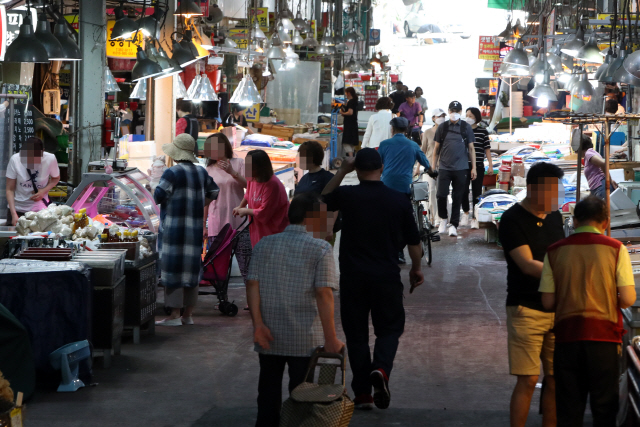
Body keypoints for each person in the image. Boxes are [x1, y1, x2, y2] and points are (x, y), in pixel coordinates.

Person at [322, 149, 425, 411]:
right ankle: (380, 368)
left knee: (356, 336)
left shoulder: (347, 195)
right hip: (386, 278)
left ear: (357, 169)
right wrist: (416, 268)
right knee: (389, 329)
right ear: (382, 168)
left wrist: (343, 170)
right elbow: (414, 242)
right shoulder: (398, 200)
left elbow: (323, 198)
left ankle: (363, 395)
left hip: (353, 278)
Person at [247, 192, 344, 427]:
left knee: (267, 392)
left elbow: (252, 285)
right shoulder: (320, 249)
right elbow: (324, 293)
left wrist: (258, 324)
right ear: (310, 218)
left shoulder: (264, 244)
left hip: (268, 333)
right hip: (305, 337)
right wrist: (331, 338)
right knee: (301, 395)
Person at [539, 196, 636, 426]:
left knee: (570, 410)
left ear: (574, 221)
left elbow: (547, 302)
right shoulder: (616, 249)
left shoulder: (554, 251)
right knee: (604, 410)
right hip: (604, 339)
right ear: (605, 222)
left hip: (567, 339)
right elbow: (629, 298)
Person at [498, 162, 565, 427]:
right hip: (525, 309)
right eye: (549, 191)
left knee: (555, 378)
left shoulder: (556, 216)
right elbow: (526, 264)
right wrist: (566, 278)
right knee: (527, 380)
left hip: (557, 310)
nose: (554, 197)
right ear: (532, 188)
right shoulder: (512, 219)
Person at [154, 134, 219, 326]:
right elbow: (214, 192)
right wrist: (198, 205)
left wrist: (154, 181)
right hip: (194, 229)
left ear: (176, 154)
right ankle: (188, 315)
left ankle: (174, 315)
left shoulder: (171, 173)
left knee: (173, 269)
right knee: (191, 270)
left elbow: (158, 196)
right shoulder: (201, 172)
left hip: (174, 230)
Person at [379, 117, 432, 263]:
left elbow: (377, 163)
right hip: (404, 188)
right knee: (405, 221)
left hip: (386, 187)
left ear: (392, 129)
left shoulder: (384, 144)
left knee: (386, 219)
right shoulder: (413, 145)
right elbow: (425, 163)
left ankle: (387, 250)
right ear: (406, 130)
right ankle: (400, 253)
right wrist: (432, 171)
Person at [203, 133, 250, 282]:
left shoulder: (239, 163)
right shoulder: (208, 170)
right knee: (218, 269)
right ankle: (222, 300)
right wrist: (203, 224)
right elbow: (206, 200)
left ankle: (252, 302)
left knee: (247, 267)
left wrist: (232, 172)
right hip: (217, 224)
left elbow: (250, 187)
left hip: (240, 223)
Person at [432, 101, 477, 237]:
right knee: (441, 195)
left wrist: (473, 167)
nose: (454, 113)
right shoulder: (442, 127)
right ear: (448, 111)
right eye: (452, 110)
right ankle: (443, 219)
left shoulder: (465, 127)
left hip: (461, 168)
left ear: (461, 112)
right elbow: (436, 149)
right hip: (444, 167)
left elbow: (471, 148)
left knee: (457, 197)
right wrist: (433, 167)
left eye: (457, 110)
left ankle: (454, 224)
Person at [233, 150, 289, 247]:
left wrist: (245, 211)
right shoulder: (252, 178)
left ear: (259, 168)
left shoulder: (272, 184)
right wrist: (240, 206)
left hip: (273, 231)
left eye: (250, 167)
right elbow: (248, 195)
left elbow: (264, 213)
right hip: (257, 229)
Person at [6, 137, 60, 226]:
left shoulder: (50, 159)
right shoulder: (15, 160)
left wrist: (43, 191)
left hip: (40, 211)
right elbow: (9, 189)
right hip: (18, 209)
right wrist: (13, 214)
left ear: (42, 152)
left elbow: (55, 178)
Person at [461, 107, 493, 229]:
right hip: (464, 165)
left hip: (478, 165)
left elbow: (487, 150)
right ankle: (465, 212)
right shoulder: (462, 131)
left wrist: (490, 165)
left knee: (477, 191)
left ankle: (475, 217)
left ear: (477, 118)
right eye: (466, 115)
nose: (468, 118)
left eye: (471, 116)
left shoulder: (483, 132)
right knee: (463, 190)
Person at [420, 108, 446, 226]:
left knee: (441, 193)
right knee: (430, 192)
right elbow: (423, 150)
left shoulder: (447, 131)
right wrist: (417, 168)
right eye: (438, 116)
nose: (441, 118)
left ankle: (441, 217)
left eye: (443, 116)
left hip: (444, 165)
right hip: (430, 166)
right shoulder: (427, 132)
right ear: (433, 118)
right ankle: (431, 217)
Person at [581, 135, 617, 199]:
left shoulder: (588, 153)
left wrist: (610, 180)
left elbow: (603, 163)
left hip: (601, 187)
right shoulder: (590, 153)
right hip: (598, 187)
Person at [339, 87, 359, 157]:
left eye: (346, 93)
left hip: (349, 125)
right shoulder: (355, 101)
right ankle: (352, 158)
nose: (346, 95)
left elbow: (350, 113)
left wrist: (342, 113)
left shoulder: (351, 102)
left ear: (349, 93)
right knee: (351, 143)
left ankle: (351, 158)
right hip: (353, 124)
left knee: (346, 143)